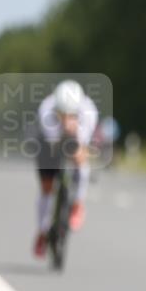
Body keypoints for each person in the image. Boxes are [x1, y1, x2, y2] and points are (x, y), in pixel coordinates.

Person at [33, 80, 99, 258]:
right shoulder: (46, 109)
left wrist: (74, 131)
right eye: (62, 113)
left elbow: (81, 146)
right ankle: (42, 231)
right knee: (47, 188)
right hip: (49, 144)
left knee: (80, 159)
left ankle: (78, 203)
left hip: (74, 137)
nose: (67, 116)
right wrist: (63, 129)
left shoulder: (88, 111)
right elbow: (53, 145)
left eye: (71, 114)